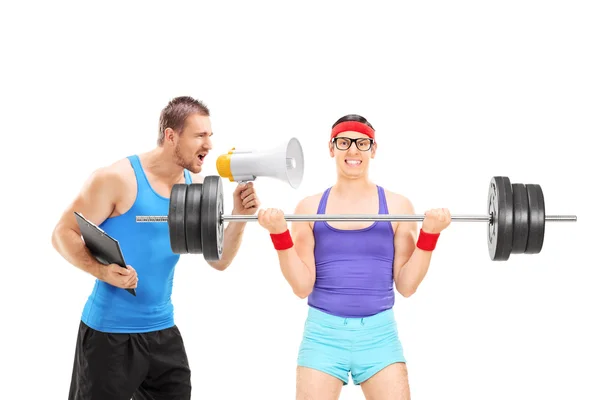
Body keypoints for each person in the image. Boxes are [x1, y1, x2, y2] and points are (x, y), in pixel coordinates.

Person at [51, 96, 260, 400]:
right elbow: (62, 232)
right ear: (171, 136)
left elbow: (220, 260)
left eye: (210, 135)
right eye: (200, 135)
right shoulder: (116, 179)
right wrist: (101, 271)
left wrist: (240, 218)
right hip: (109, 334)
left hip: (163, 332)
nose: (209, 144)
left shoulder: (191, 184)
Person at [257, 114, 451, 399]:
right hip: (323, 336)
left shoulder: (398, 206)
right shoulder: (309, 208)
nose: (353, 151)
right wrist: (278, 234)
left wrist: (430, 235)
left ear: (373, 149)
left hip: (379, 337)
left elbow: (407, 285)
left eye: (362, 143)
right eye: (344, 142)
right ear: (331, 147)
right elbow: (301, 287)